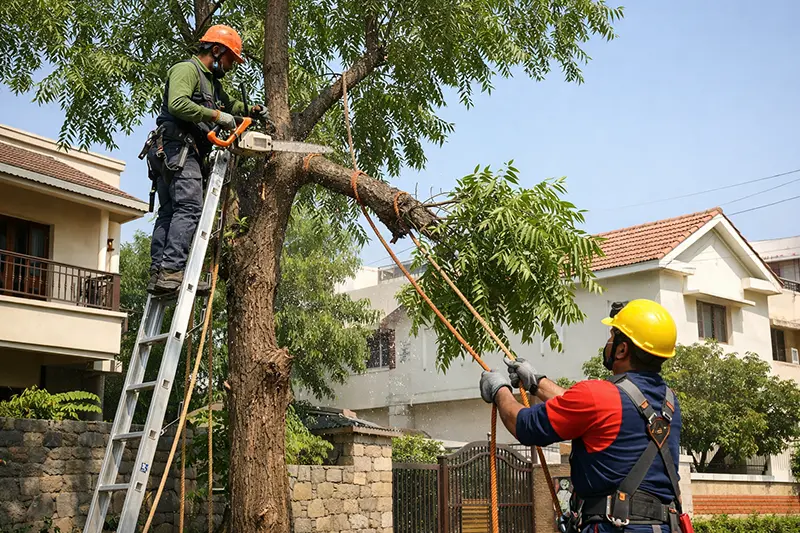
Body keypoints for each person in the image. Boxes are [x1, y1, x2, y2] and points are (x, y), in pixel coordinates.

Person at [479, 299, 685, 533]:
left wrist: (499, 391)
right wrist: (537, 383)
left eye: (612, 336)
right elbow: (591, 412)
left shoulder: (597, 395)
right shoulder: (669, 403)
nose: (608, 342)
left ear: (622, 349)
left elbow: (524, 424)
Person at [143, 24, 274, 294]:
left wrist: (252, 110)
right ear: (216, 51)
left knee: (170, 212)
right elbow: (177, 103)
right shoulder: (186, 70)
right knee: (189, 208)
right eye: (229, 60)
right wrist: (215, 117)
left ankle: (161, 273)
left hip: (177, 151)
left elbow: (230, 108)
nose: (230, 67)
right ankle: (171, 272)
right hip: (177, 148)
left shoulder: (212, 84)